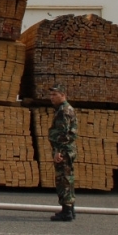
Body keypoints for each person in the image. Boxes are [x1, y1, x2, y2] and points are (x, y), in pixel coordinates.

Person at [47, 83, 78, 222]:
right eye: (51, 95)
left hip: (64, 151)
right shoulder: (64, 109)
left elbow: (64, 134)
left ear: (63, 95)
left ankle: (67, 212)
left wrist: (58, 151)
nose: (51, 97)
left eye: (55, 95)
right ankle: (70, 209)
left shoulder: (64, 111)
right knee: (67, 179)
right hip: (67, 150)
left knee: (63, 180)